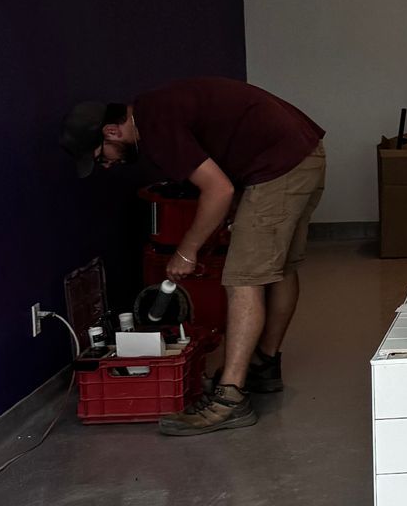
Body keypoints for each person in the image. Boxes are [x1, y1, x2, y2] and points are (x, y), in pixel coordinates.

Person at [60, 80, 326, 435]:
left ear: (112, 131)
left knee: (242, 278)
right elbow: (227, 166)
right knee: (279, 269)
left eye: (100, 156)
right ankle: (263, 365)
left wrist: (186, 251)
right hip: (304, 154)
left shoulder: (155, 129)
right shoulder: (155, 108)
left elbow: (218, 189)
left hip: (278, 167)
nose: (107, 165)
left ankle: (230, 398)